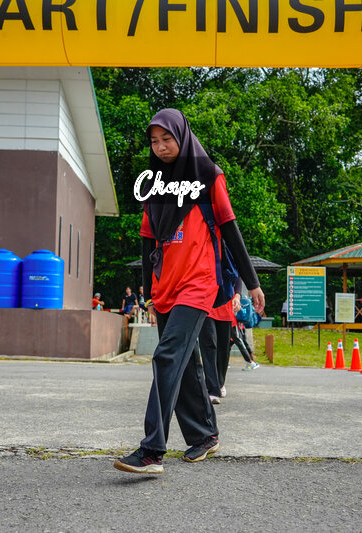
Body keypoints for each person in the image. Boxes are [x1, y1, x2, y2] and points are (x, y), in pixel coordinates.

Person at [114, 109, 265, 475]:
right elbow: (147, 242)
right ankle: (205, 434)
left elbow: (230, 229)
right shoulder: (153, 186)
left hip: (199, 283)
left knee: (167, 356)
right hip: (165, 286)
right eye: (154, 141)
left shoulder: (209, 176)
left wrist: (253, 282)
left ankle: (151, 451)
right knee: (184, 363)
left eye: (167, 138)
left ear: (182, 137)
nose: (161, 147)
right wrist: (150, 293)